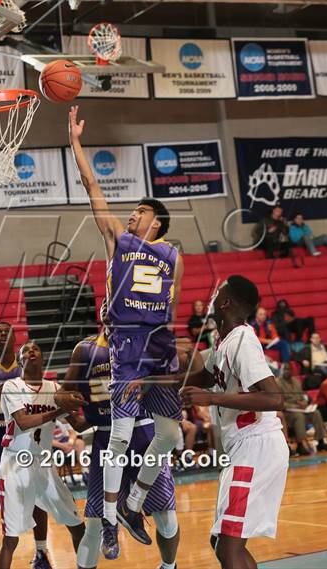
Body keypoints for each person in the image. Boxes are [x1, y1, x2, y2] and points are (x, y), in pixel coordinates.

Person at [69, 105, 184, 558]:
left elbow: (168, 304)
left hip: (158, 347)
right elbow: (92, 187)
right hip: (128, 347)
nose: (132, 215)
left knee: (171, 435)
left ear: (157, 223)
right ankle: (114, 520)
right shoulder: (120, 239)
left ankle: (134, 506)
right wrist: (76, 143)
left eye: (140, 211)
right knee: (119, 436)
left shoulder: (172, 255)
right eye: (132, 211)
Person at [131, 275, 290, 569]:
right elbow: (201, 378)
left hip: (257, 448)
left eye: (218, 293)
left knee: (229, 547)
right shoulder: (223, 340)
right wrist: (152, 381)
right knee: (223, 545)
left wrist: (211, 398)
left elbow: (274, 398)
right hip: (244, 449)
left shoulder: (242, 342)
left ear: (226, 303)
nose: (213, 297)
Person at [61, 330, 180, 569]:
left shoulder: (145, 340)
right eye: (105, 308)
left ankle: (169, 566)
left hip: (144, 431)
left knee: (167, 516)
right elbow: (63, 393)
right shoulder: (84, 349)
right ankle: (113, 522)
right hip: (106, 434)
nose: (110, 311)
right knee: (94, 523)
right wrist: (68, 410)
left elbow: (166, 380)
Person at [0, 323, 53, 569]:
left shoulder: (23, 368)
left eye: (7, 332)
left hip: (21, 438)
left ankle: (41, 553)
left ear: (16, 338)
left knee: (36, 498)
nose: (3, 335)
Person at [0, 341, 86, 569]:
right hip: (16, 463)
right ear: (20, 360)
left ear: (43, 358)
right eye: (26, 350)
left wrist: (101, 411)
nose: (31, 351)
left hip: (44, 463)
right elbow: (23, 422)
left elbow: (79, 424)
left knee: (77, 525)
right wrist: (59, 410)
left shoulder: (54, 388)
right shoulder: (12, 386)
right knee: (10, 539)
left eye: (35, 349)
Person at [278, 362, 327, 456]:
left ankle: (321, 441)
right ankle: (300, 444)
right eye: (285, 369)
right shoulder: (278, 383)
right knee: (299, 416)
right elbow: (279, 403)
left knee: (316, 413)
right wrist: (295, 406)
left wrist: (304, 402)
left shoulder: (296, 382)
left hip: (300, 409)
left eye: (289, 369)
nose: (287, 371)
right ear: (281, 371)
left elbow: (303, 397)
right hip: (288, 412)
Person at [52, 419, 89, 484]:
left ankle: (85, 471)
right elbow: (44, 439)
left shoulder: (62, 418)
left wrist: (70, 443)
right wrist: (63, 446)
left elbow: (72, 433)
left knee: (80, 443)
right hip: (52, 445)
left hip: (65, 441)